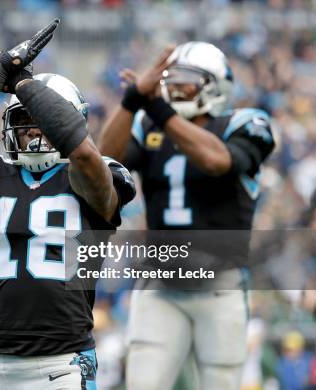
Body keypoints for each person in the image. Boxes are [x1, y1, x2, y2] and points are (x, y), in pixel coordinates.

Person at [0, 19, 135, 389]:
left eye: (43, 120)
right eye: (24, 119)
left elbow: (82, 153)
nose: (33, 129)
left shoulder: (99, 173)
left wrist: (22, 84)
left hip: (63, 364)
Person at [98, 42, 276, 390]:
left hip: (219, 284)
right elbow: (104, 161)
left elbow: (217, 161)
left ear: (216, 85)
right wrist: (132, 100)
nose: (176, 90)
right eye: (171, 82)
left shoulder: (244, 123)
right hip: (160, 283)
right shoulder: (148, 122)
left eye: (187, 83)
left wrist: (161, 111)